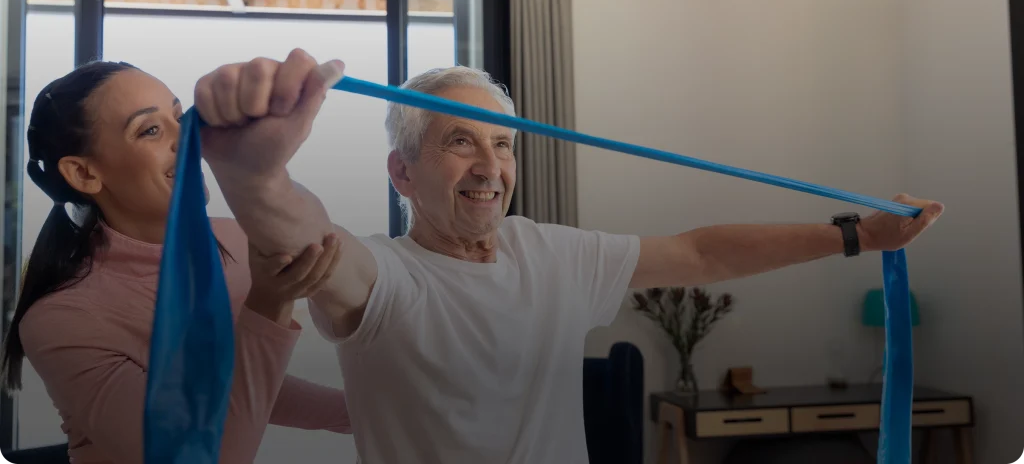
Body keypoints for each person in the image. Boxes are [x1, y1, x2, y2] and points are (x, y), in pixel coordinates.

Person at [193, 49, 945, 464]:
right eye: (461, 142)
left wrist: (857, 236)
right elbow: (303, 236)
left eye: (503, 145)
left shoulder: (548, 251)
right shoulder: (385, 275)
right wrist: (253, 174)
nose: (490, 167)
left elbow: (702, 254)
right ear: (402, 173)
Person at [0, 61, 353, 464]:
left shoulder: (236, 239)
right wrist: (269, 306)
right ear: (83, 173)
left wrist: (364, 413)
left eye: (179, 116)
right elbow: (203, 454)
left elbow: (234, 386)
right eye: (150, 129)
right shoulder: (62, 319)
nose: (186, 137)